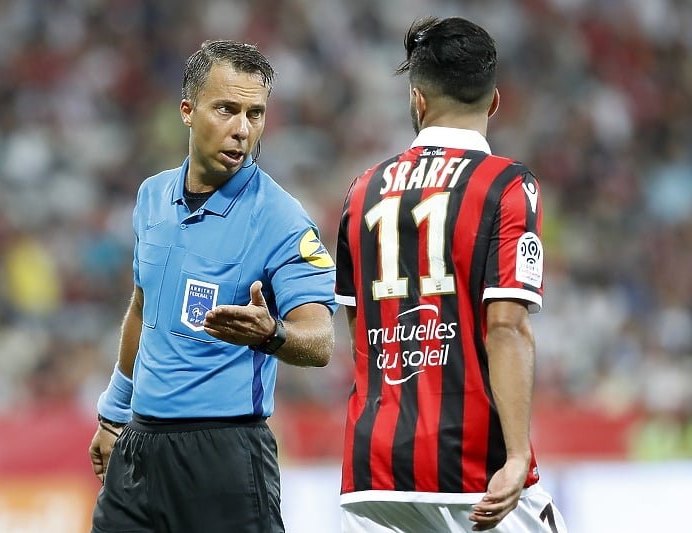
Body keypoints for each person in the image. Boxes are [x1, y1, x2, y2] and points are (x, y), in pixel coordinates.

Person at [88, 39, 337, 533]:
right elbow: (144, 308)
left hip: (224, 456)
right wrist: (113, 413)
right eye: (226, 109)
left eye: (255, 113)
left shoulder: (281, 218)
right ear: (187, 110)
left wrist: (273, 334)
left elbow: (321, 340)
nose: (242, 130)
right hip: (139, 450)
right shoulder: (152, 196)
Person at [334, 17, 568, 533]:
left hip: (373, 473)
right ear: (495, 101)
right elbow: (505, 325)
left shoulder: (360, 190)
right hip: (472, 466)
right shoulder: (508, 185)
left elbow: (358, 332)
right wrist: (514, 458)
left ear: (417, 100)